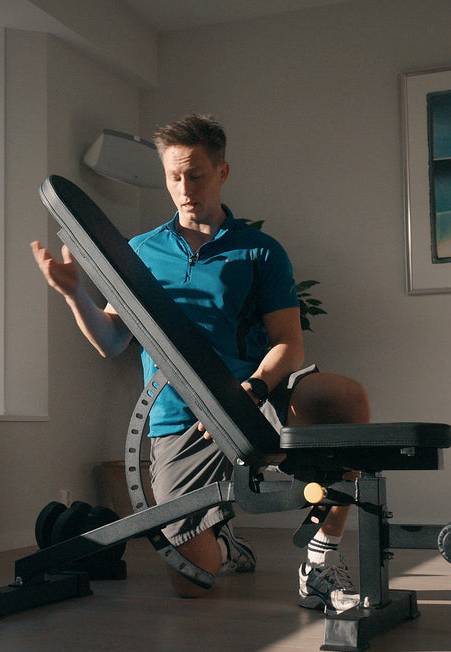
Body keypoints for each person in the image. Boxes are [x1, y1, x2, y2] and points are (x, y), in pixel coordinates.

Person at [31, 113, 369, 611]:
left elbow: (289, 346)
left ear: (222, 172)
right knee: (194, 581)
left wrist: (251, 389)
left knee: (344, 399)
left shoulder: (261, 252)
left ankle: (320, 559)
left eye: (196, 174)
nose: (185, 188)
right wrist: (74, 293)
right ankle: (226, 545)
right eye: (174, 177)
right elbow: (111, 341)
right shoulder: (139, 251)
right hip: (176, 419)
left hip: (253, 402)